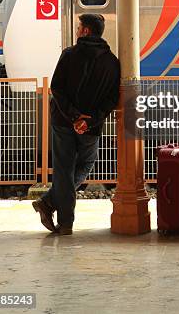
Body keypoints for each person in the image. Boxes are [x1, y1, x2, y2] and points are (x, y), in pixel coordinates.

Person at [33, 13, 120, 235]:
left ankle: (63, 220)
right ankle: (50, 204)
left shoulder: (69, 55)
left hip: (63, 121)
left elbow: (57, 89)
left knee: (63, 170)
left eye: (79, 26)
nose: (77, 29)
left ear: (86, 31)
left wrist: (74, 117)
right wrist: (89, 119)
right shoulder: (112, 62)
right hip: (90, 126)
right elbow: (111, 98)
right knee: (87, 161)